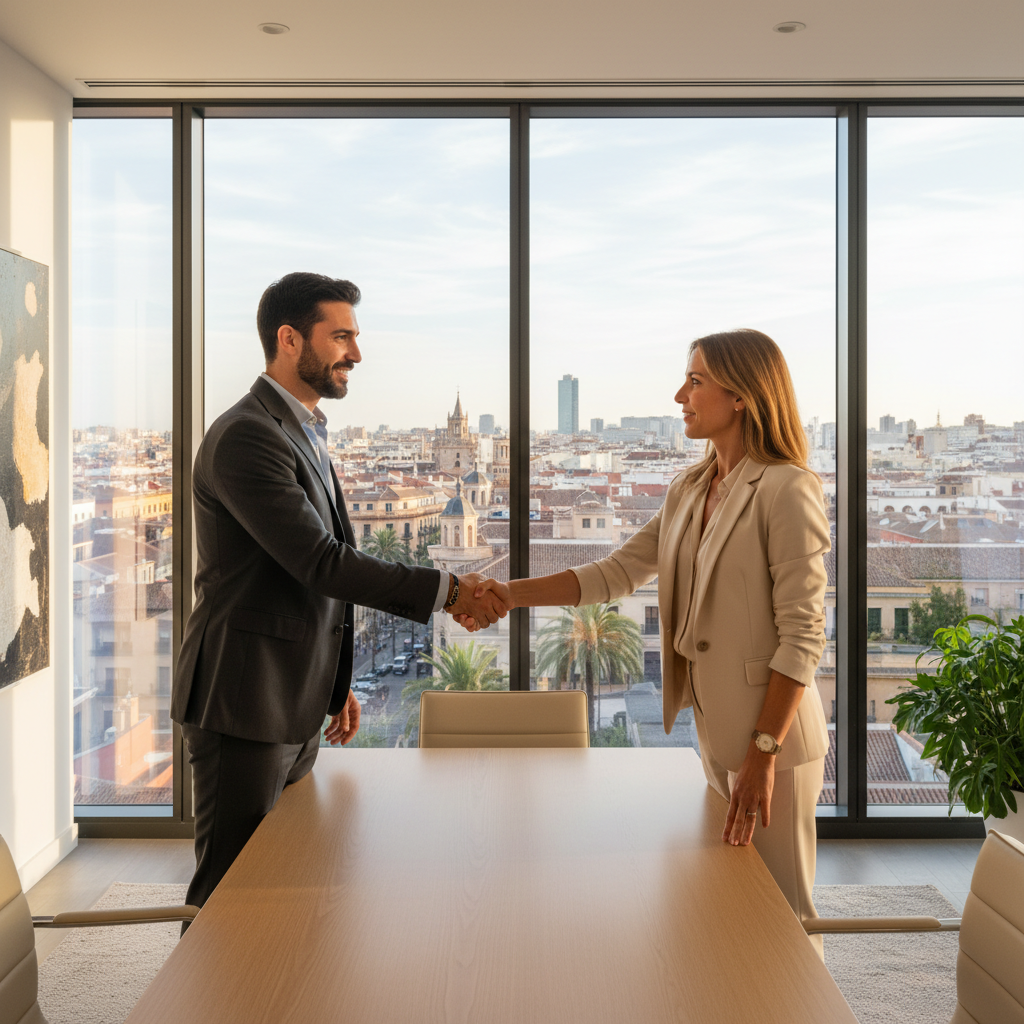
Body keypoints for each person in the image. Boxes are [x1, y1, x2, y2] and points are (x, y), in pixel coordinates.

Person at [463, 329, 830, 955]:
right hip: (715, 733)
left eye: (696, 380)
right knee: (731, 903)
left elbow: (803, 634)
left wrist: (763, 753)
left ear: (741, 395)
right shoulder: (690, 488)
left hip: (775, 744)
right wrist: (508, 594)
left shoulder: (786, 488)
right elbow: (615, 573)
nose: (680, 394)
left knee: (784, 916)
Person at [171, 272, 507, 922]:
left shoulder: (301, 429)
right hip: (242, 698)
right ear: (290, 339)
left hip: (285, 694)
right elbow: (322, 563)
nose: (356, 352)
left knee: (279, 877)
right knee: (229, 895)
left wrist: (330, 680)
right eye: (341, 335)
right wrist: (452, 590)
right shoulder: (247, 436)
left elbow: (305, 578)